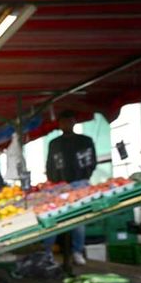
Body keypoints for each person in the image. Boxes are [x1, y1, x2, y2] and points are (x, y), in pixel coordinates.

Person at [44, 111, 97, 266]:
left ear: (74, 122)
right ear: (59, 124)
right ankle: (47, 253)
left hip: (80, 184)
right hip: (58, 187)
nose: (66, 124)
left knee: (79, 219)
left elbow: (91, 161)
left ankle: (77, 251)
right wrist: (55, 182)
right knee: (52, 219)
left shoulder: (85, 141)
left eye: (69, 121)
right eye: (63, 122)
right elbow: (50, 165)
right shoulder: (54, 143)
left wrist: (83, 178)